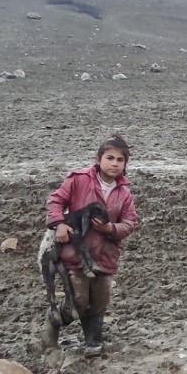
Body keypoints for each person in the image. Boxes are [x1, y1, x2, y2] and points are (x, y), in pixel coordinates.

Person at [43, 134, 138, 356]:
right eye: (110, 158)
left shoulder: (124, 193)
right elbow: (55, 200)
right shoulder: (78, 180)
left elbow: (130, 222)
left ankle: (93, 342)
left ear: (125, 165)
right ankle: (54, 321)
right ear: (98, 159)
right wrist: (59, 224)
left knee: (100, 299)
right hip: (77, 253)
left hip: (106, 254)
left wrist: (111, 230)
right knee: (79, 299)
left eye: (120, 160)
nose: (114, 164)